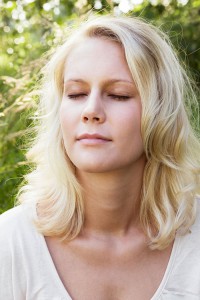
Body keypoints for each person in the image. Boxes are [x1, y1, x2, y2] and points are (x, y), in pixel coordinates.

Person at [0, 14, 200, 300]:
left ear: (160, 112)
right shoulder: (9, 244)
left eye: (119, 95)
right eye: (77, 93)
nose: (91, 110)